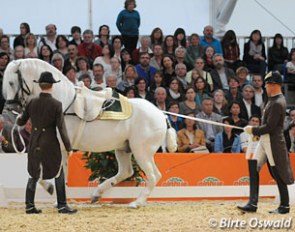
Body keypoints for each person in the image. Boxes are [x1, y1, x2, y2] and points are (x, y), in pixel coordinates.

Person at [17, 71, 77, 214]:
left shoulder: (32, 102)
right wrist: (69, 147)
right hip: (50, 142)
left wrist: (18, 118)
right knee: (58, 172)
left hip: (34, 140)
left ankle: (29, 206)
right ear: (52, 86)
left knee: (33, 172)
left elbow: (21, 121)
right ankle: (62, 205)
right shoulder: (56, 104)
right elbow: (61, 128)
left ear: (39, 85)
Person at [239, 71, 294, 214]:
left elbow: (270, 127)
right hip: (265, 141)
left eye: (268, 84)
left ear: (274, 85)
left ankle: (284, 205)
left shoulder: (277, 102)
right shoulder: (271, 99)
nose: (266, 87)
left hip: (272, 141)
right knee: (253, 166)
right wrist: (257, 133)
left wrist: (253, 130)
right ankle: (252, 202)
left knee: (277, 172)